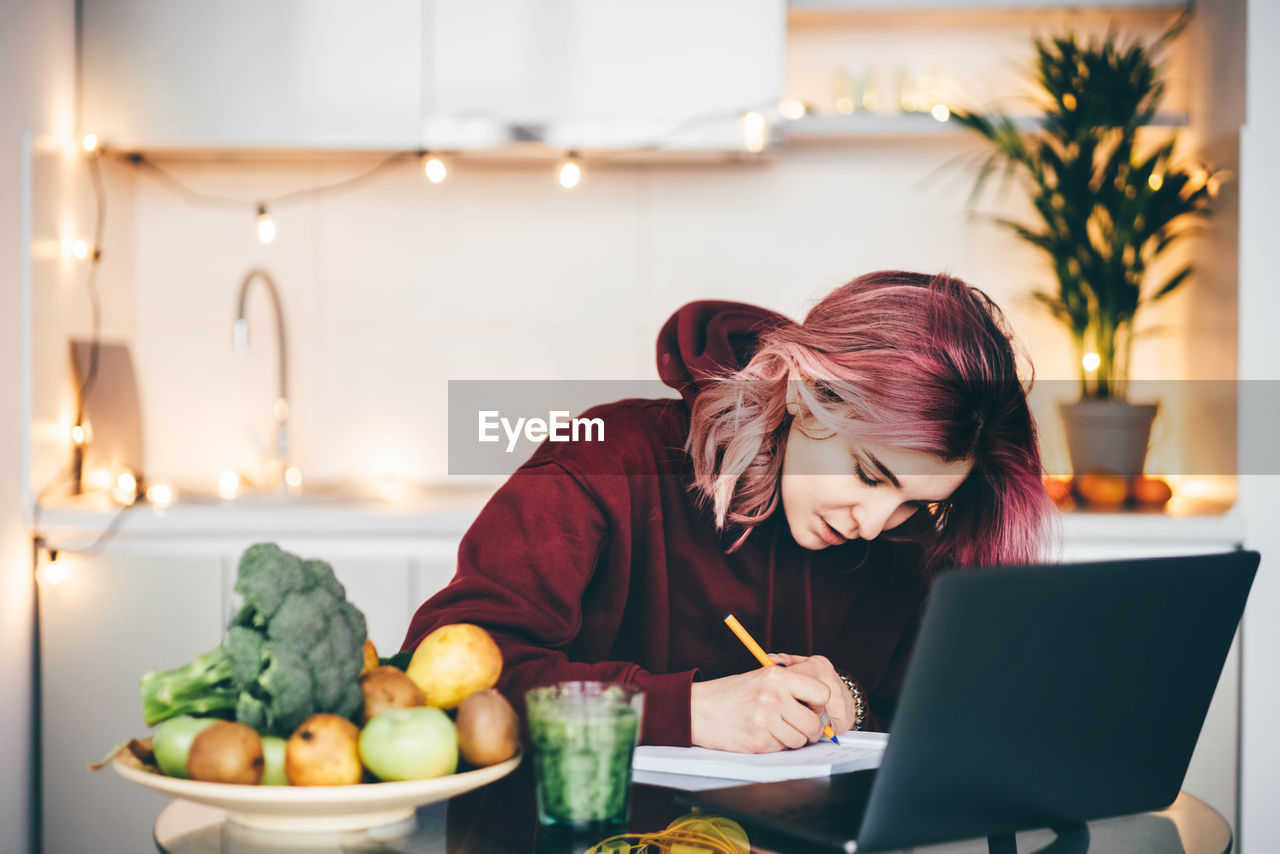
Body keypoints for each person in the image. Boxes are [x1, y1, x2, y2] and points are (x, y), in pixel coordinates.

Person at [403, 270, 1056, 753]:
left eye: (916, 501)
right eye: (868, 473)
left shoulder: (906, 535)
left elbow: (943, 729)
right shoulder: (605, 455)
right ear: (804, 395)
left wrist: (850, 707)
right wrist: (681, 712)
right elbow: (441, 684)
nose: (875, 521)